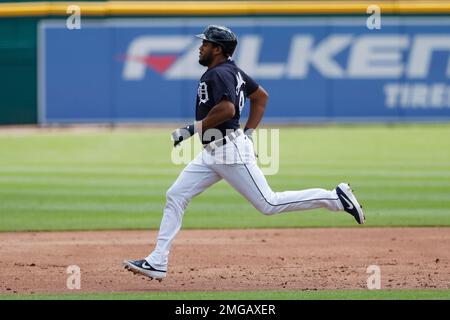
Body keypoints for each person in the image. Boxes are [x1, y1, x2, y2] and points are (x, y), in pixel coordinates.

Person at [123, 25, 365, 281]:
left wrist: (191, 129)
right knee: (176, 194)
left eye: (205, 43)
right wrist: (248, 133)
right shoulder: (232, 71)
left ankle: (336, 198)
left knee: (269, 203)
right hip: (214, 152)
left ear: (217, 49)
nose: (200, 46)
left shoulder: (217, 74)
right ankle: (157, 261)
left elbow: (228, 109)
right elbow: (261, 96)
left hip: (228, 149)